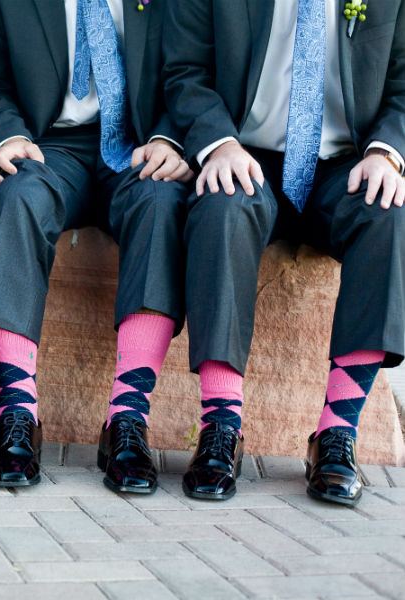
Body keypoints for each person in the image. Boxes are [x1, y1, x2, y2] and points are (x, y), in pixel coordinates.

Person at [163, 0, 404, 504]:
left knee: (390, 214)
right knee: (221, 205)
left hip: (346, 161)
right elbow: (185, 70)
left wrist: (386, 151)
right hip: (246, 154)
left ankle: (337, 434)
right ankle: (220, 426)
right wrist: (220, 144)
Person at [0, 0, 192, 491]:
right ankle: (18, 414)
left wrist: (170, 138)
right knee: (18, 196)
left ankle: (127, 419)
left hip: (142, 144)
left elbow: (197, 64)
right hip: (50, 143)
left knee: (161, 205)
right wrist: (8, 135)